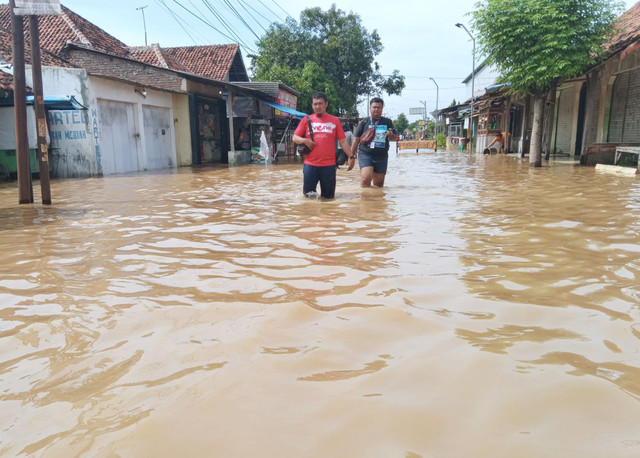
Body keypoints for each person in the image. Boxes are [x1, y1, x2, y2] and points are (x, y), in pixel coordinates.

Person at [292, 92, 354, 199]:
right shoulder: (306, 120)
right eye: (315, 104)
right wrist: (304, 140)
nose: (317, 106)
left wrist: (351, 156)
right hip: (310, 165)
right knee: (308, 198)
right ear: (312, 105)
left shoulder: (335, 121)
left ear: (326, 104)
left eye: (320, 103)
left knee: (328, 199)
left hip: (329, 166)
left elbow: (343, 141)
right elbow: (295, 138)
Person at [351, 97, 398, 188]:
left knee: (379, 184)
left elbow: (394, 138)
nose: (376, 109)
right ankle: (364, 200)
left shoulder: (387, 122)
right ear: (370, 108)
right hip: (365, 154)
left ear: (382, 108)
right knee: (366, 178)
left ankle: (376, 201)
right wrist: (351, 156)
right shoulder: (364, 122)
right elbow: (356, 139)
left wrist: (390, 134)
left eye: (378, 107)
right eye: (374, 107)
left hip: (381, 156)